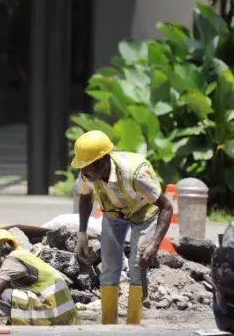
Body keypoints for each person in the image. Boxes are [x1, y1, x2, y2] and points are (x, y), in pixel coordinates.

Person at [72, 130, 173, 325]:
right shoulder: (88, 174)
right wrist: (82, 233)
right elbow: (85, 197)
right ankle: (109, 324)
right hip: (113, 214)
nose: (83, 173)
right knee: (109, 265)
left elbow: (166, 207)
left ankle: (133, 325)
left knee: (138, 265)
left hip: (144, 212)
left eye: (86, 168)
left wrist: (154, 245)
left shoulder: (136, 175)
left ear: (101, 163)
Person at [0, 229, 80, 326]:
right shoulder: (23, 254)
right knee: (8, 288)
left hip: (52, 315)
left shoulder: (12, 259)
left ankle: (26, 326)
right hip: (64, 316)